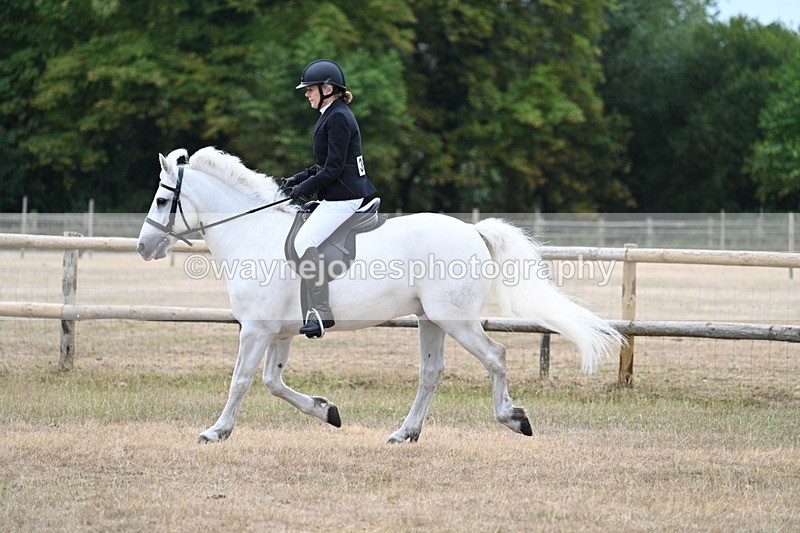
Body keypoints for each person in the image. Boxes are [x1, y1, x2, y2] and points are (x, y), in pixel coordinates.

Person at [281, 59, 377, 338]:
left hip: (344, 196)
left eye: (310, 89)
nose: (306, 94)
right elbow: (324, 164)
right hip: (338, 192)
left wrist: (306, 189)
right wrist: (297, 179)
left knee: (304, 241)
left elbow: (334, 170)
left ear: (327, 88)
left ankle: (322, 312)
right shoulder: (332, 113)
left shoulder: (337, 117)